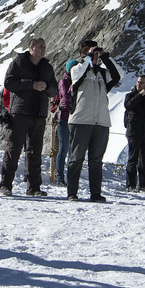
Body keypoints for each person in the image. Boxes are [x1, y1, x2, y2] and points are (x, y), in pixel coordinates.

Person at [0, 38, 55, 196]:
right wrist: (30, 85)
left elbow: (55, 90)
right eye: (40, 47)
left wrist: (47, 87)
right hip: (19, 112)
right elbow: (9, 83)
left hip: (39, 114)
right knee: (13, 149)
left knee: (35, 152)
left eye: (44, 47)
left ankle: (34, 188)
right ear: (31, 48)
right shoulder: (18, 63)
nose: (43, 49)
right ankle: (6, 185)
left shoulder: (48, 67)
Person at [66, 42, 120, 202]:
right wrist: (89, 58)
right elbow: (78, 74)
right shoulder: (77, 69)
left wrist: (105, 57)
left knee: (96, 160)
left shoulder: (103, 74)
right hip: (81, 120)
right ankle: (72, 193)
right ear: (83, 55)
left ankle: (95, 193)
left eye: (96, 55)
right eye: (92, 54)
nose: (95, 57)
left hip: (101, 121)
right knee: (76, 158)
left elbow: (118, 76)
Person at [50, 41, 91, 187]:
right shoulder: (65, 82)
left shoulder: (71, 81)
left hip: (73, 118)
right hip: (66, 118)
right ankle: (60, 177)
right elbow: (66, 100)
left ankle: (67, 177)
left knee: (72, 150)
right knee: (65, 148)